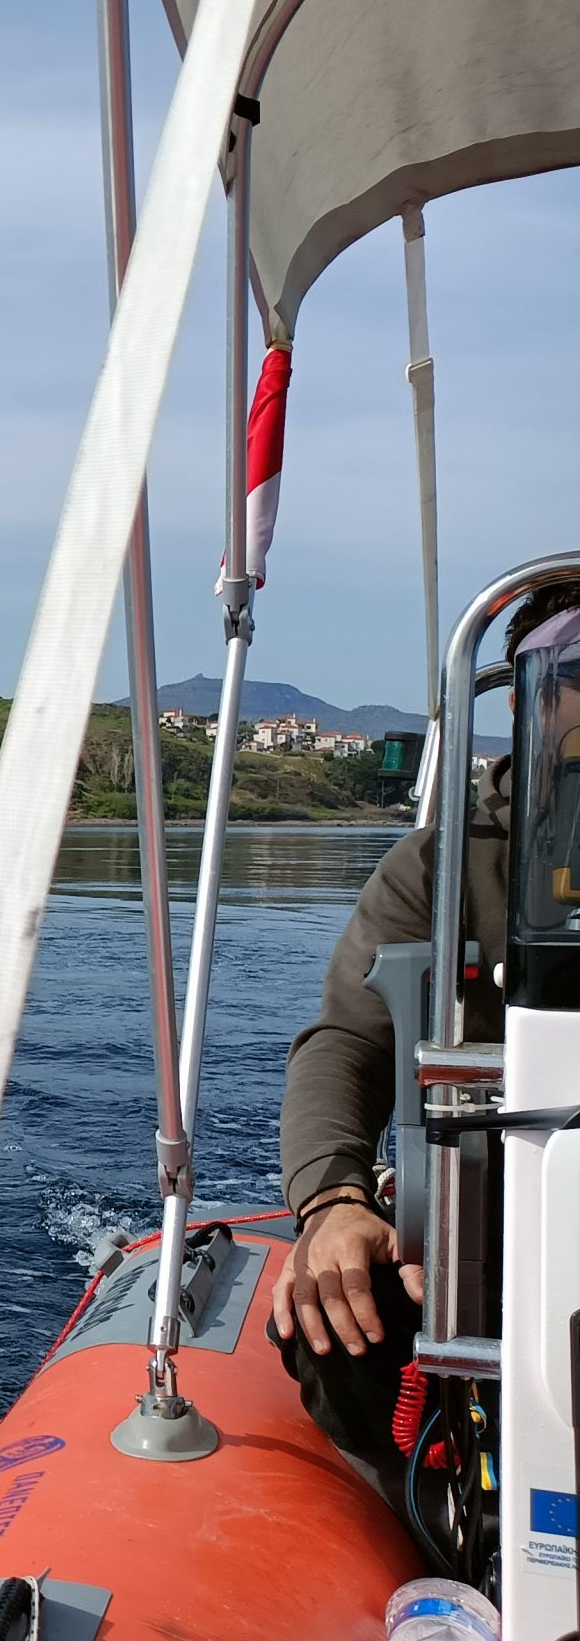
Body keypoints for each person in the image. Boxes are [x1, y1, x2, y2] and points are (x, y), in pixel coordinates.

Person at [270, 586, 580, 1503]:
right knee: (334, 1321)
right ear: (532, 698)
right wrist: (332, 1200)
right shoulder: (441, 867)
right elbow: (346, 1043)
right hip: (481, 1237)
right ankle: (441, 1518)